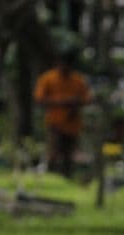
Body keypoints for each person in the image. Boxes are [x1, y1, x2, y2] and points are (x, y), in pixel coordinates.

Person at [33, 50, 92, 178]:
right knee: (53, 153)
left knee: (68, 156)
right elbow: (39, 99)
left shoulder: (78, 80)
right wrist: (61, 102)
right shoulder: (48, 78)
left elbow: (86, 98)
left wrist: (75, 103)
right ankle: (50, 177)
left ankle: (66, 178)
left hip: (72, 124)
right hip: (55, 123)